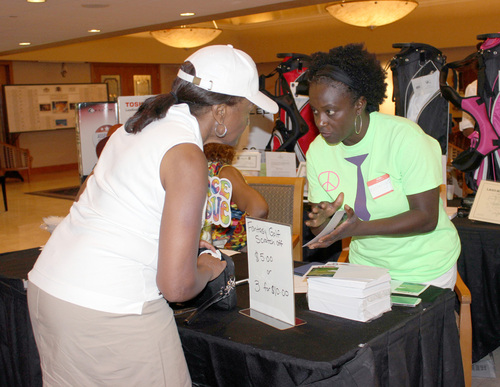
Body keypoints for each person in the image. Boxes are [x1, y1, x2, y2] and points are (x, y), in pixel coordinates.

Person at [27, 44, 278, 386]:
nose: (249, 121)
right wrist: (205, 267)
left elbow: (90, 199)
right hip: (112, 306)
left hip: (51, 290)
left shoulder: (137, 127)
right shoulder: (188, 157)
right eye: (247, 110)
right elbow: (176, 287)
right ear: (220, 112)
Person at [304, 43, 460, 289]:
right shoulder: (317, 151)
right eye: (315, 111)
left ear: (359, 104)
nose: (320, 121)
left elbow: (426, 217)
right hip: (365, 267)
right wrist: (321, 222)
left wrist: (359, 228)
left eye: (330, 111)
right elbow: (324, 233)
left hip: (424, 268)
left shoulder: (404, 138)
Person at [201, 141, 269, 250]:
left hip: (210, 251)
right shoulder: (222, 171)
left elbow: (258, 209)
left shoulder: (214, 171)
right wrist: (233, 246)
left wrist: (230, 248)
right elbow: (259, 209)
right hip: (214, 252)